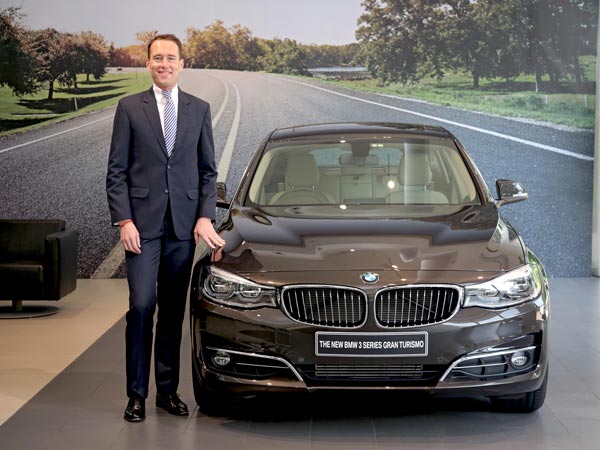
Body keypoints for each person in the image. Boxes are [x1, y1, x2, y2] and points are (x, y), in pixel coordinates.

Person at [106, 33, 225, 423]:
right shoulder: (129, 108)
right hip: (141, 227)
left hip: (182, 227)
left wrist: (204, 216)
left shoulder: (199, 109)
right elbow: (116, 172)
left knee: (173, 312)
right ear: (147, 64)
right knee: (142, 306)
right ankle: (136, 395)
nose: (164, 64)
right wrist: (124, 220)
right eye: (157, 57)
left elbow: (208, 172)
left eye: (170, 58)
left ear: (181, 64)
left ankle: (167, 391)